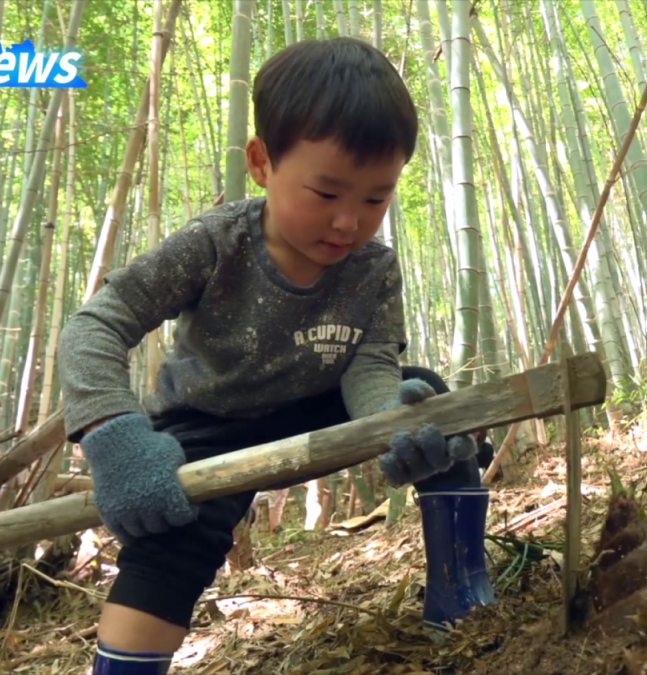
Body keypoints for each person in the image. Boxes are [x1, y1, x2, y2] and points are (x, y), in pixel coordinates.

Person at [58, 39, 494, 675]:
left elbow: (371, 365)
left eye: (376, 199)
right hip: (206, 428)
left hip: (322, 409)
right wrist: (115, 436)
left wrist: (389, 422)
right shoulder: (217, 243)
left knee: (429, 403)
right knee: (170, 537)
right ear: (262, 163)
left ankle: (461, 603)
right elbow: (95, 325)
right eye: (326, 193)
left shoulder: (375, 269)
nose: (349, 221)